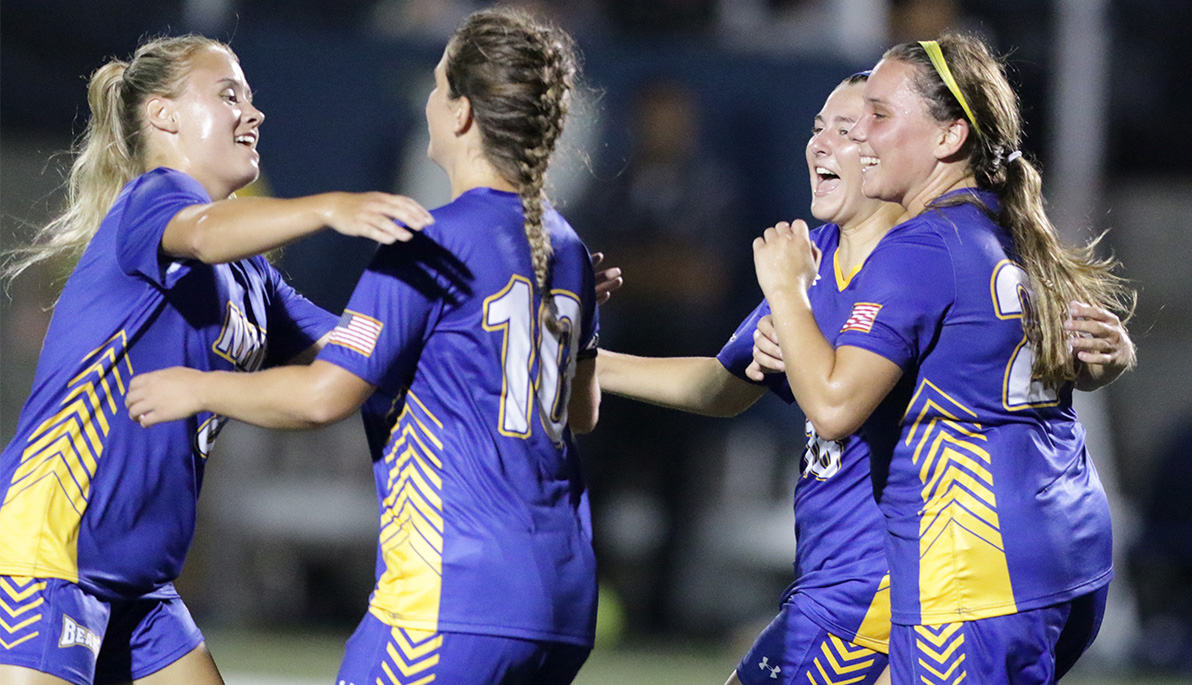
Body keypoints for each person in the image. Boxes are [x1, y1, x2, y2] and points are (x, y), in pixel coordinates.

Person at [125, 9, 602, 684]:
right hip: (564, 596)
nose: (428, 102)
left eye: (438, 86)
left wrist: (196, 387)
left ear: (462, 114)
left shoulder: (431, 239)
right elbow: (581, 412)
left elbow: (323, 395)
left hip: (452, 595)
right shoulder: (569, 246)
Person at [0, 35, 433, 685]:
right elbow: (201, 232)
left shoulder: (252, 279)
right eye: (229, 95)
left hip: (140, 583)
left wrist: (506, 322)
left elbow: (366, 352)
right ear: (164, 115)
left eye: (253, 99)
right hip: (50, 555)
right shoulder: (153, 200)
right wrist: (328, 207)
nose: (252, 114)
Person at [751, 34, 1135, 684]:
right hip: (1069, 552)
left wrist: (786, 294)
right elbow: (1043, 360)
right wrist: (1109, 360)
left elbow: (836, 405)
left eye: (880, 115)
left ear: (948, 136)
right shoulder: (1005, 221)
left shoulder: (922, 244)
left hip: (975, 567)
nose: (859, 136)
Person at [599, 72, 903, 685]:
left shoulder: (917, 262)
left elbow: (839, 402)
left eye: (843, 130)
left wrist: (794, 319)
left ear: (889, 147)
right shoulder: (812, 260)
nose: (819, 144)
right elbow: (721, 386)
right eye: (816, 127)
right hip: (828, 579)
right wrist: (587, 362)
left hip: (882, 585)